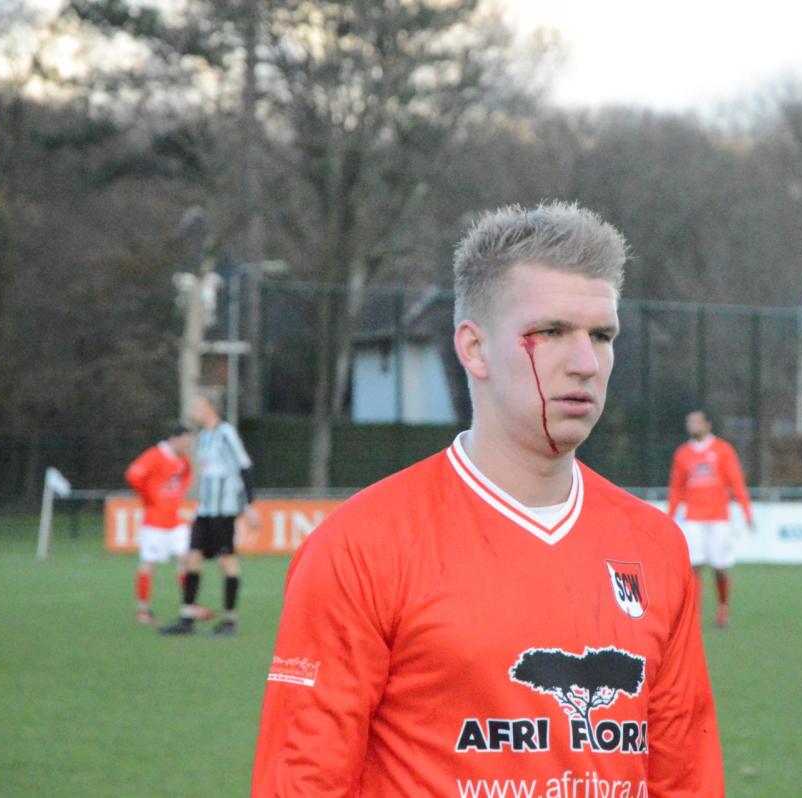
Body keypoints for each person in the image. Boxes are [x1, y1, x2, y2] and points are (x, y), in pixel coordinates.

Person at [252, 203, 724, 796]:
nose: (585, 363)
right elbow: (301, 780)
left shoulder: (655, 546)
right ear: (473, 349)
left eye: (601, 336)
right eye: (550, 332)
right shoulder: (361, 546)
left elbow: (685, 776)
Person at [160, 393, 260, 637]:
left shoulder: (226, 434)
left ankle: (229, 621)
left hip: (224, 511)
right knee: (191, 558)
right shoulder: (203, 438)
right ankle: (187, 616)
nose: (194, 410)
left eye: (198, 405)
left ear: (211, 409)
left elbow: (244, 466)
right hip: (204, 510)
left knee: (226, 561)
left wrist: (250, 505)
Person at [668, 409, 755, 628]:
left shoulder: (723, 450)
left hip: (718, 518)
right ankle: (693, 615)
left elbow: (736, 482)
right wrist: (670, 516)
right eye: (690, 422)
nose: (692, 425)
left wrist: (747, 511)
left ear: (707, 424)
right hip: (693, 518)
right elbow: (676, 488)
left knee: (719, 567)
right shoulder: (682, 454)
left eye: (696, 422)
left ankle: (723, 609)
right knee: (693, 566)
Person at [124, 425, 197, 624]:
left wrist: (177, 495)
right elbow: (133, 475)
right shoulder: (155, 455)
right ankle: (143, 609)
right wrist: (149, 498)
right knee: (149, 564)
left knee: (186, 560)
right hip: (155, 522)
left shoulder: (182, 461)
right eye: (186, 440)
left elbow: (187, 475)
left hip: (175, 520)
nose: (188, 445)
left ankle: (189, 606)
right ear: (174, 439)